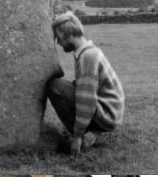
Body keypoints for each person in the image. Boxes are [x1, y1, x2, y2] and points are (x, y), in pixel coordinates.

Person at [48, 11, 124, 155]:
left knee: (55, 86)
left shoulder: (87, 57)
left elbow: (87, 100)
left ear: (67, 34)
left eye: (58, 37)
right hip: (110, 111)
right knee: (69, 87)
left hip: (107, 114)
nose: (58, 43)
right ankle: (93, 131)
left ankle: (81, 135)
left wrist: (77, 135)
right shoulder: (87, 51)